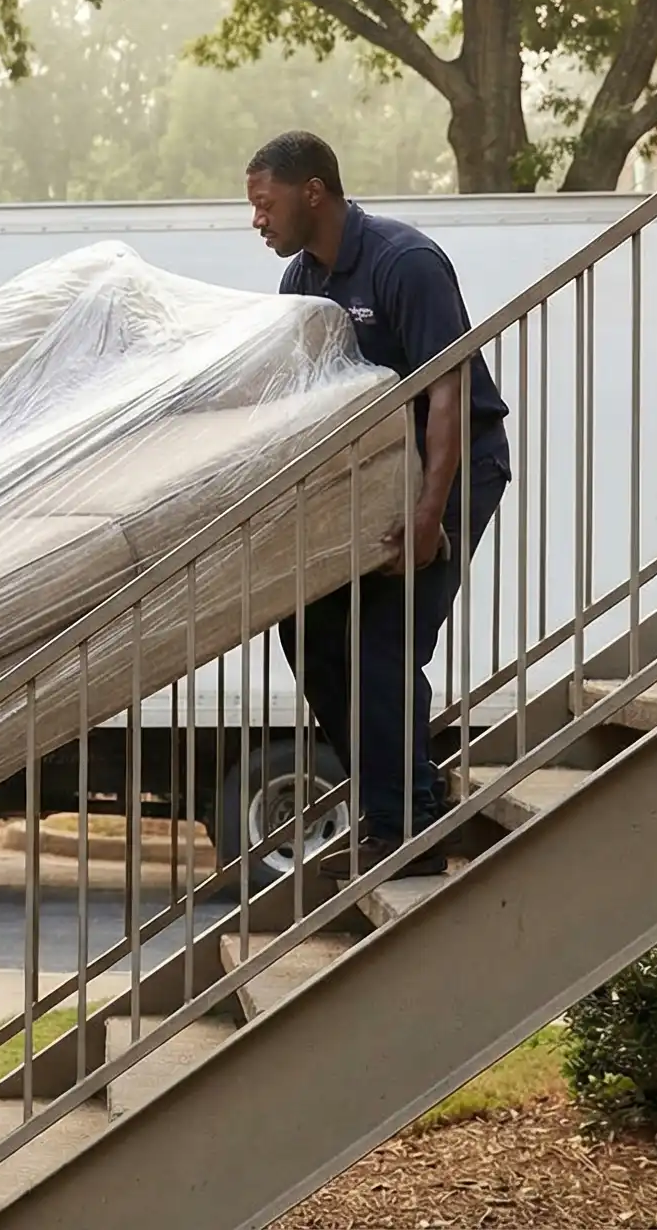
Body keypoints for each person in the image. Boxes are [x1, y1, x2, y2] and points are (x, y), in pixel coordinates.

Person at [247, 131, 513, 881]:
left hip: (454, 468)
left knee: (382, 644)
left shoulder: (405, 263)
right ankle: (389, 808)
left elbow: (449, 390)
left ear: (313, 192)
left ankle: (414, 824)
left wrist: (431, 515)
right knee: (308, 628)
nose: (258, 221)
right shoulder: (302, 281)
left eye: (265, 205)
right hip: (375, 481)